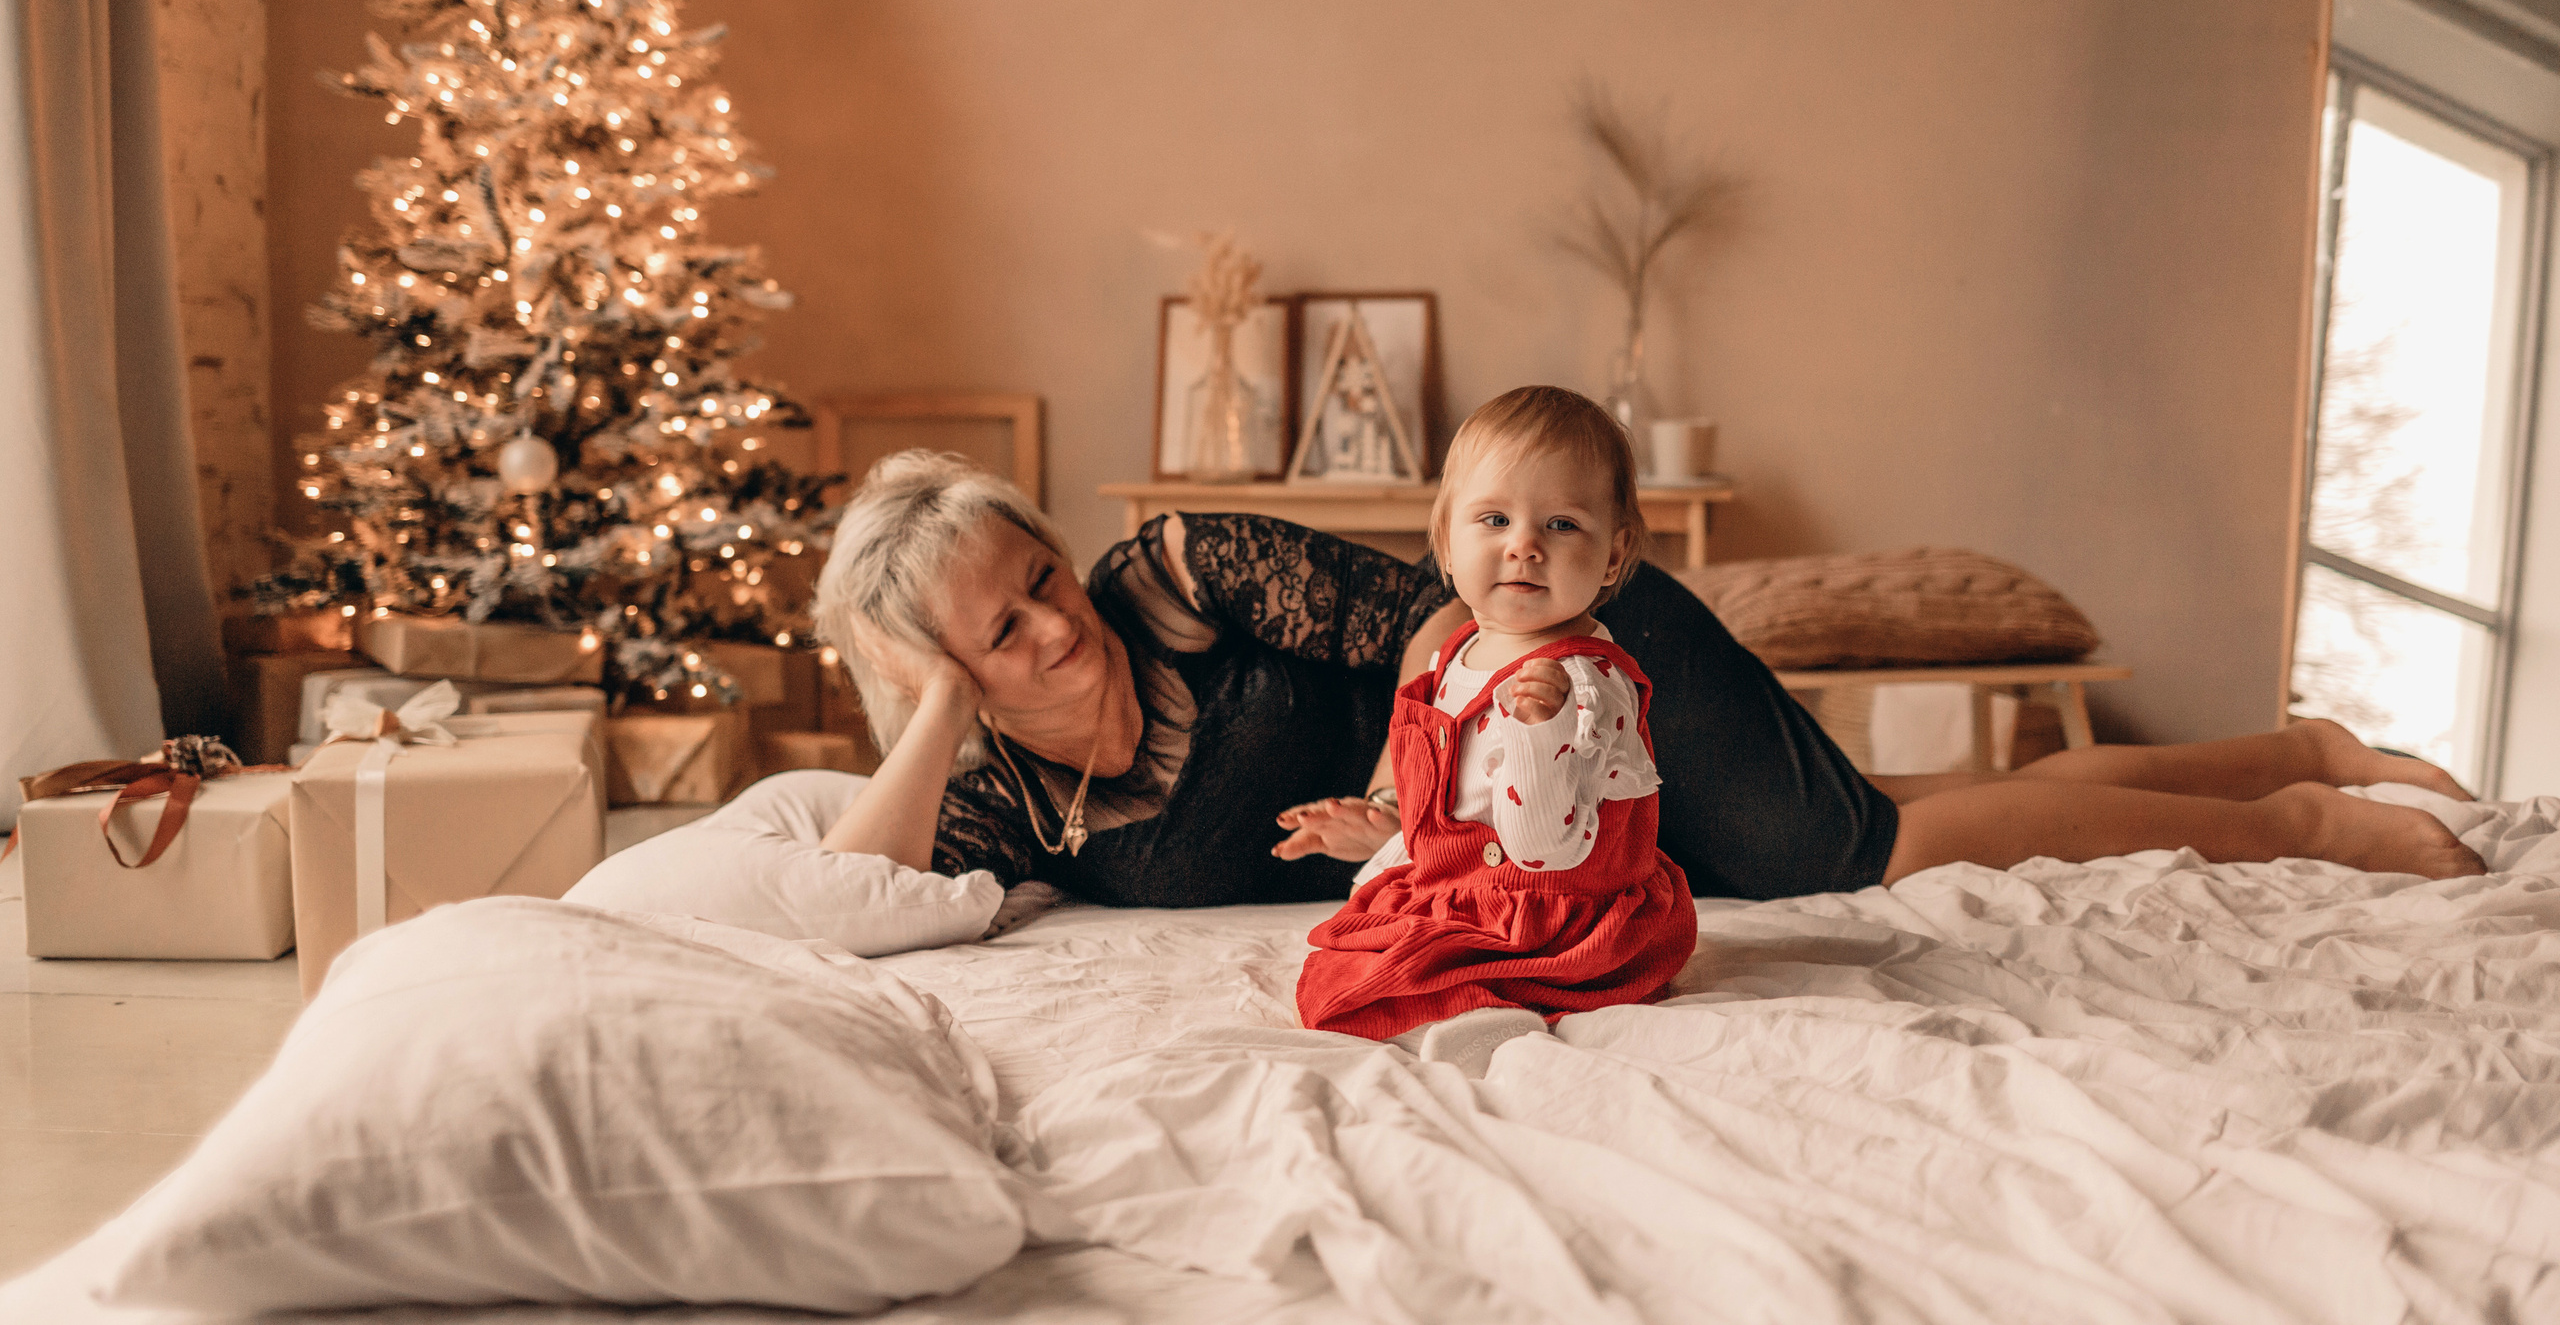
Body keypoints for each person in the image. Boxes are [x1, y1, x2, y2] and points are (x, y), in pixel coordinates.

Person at [810, 446, 2481, 918]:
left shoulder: (1172, 573)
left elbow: (1432, 605)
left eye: (1037, 573)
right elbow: (845, 894)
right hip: (1526, 800)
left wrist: (1413, 779)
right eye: (998, 631)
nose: (1053, 624)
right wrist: (939, 703)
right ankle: (2293, 750)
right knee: (1890, 814)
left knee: (1859, 854)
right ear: (941, 678)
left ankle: (2305, 824)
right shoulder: (1001, 796)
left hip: (1572, 661)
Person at [1294, 389, 1698, 1071]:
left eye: (1563, 524)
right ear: (1448, 542)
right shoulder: (1452, 652)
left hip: (1557, 912)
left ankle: (1493, 1021)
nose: (1525, 546)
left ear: (1613, 553)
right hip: (1465, 889)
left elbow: (1546, 846)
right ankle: (1458, 1001)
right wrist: (1389, 846)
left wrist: (1542, 735)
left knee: (1392, 990)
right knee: (1333, 974)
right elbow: (1452, 803)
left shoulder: (1590, 686)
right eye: (1495, 518)